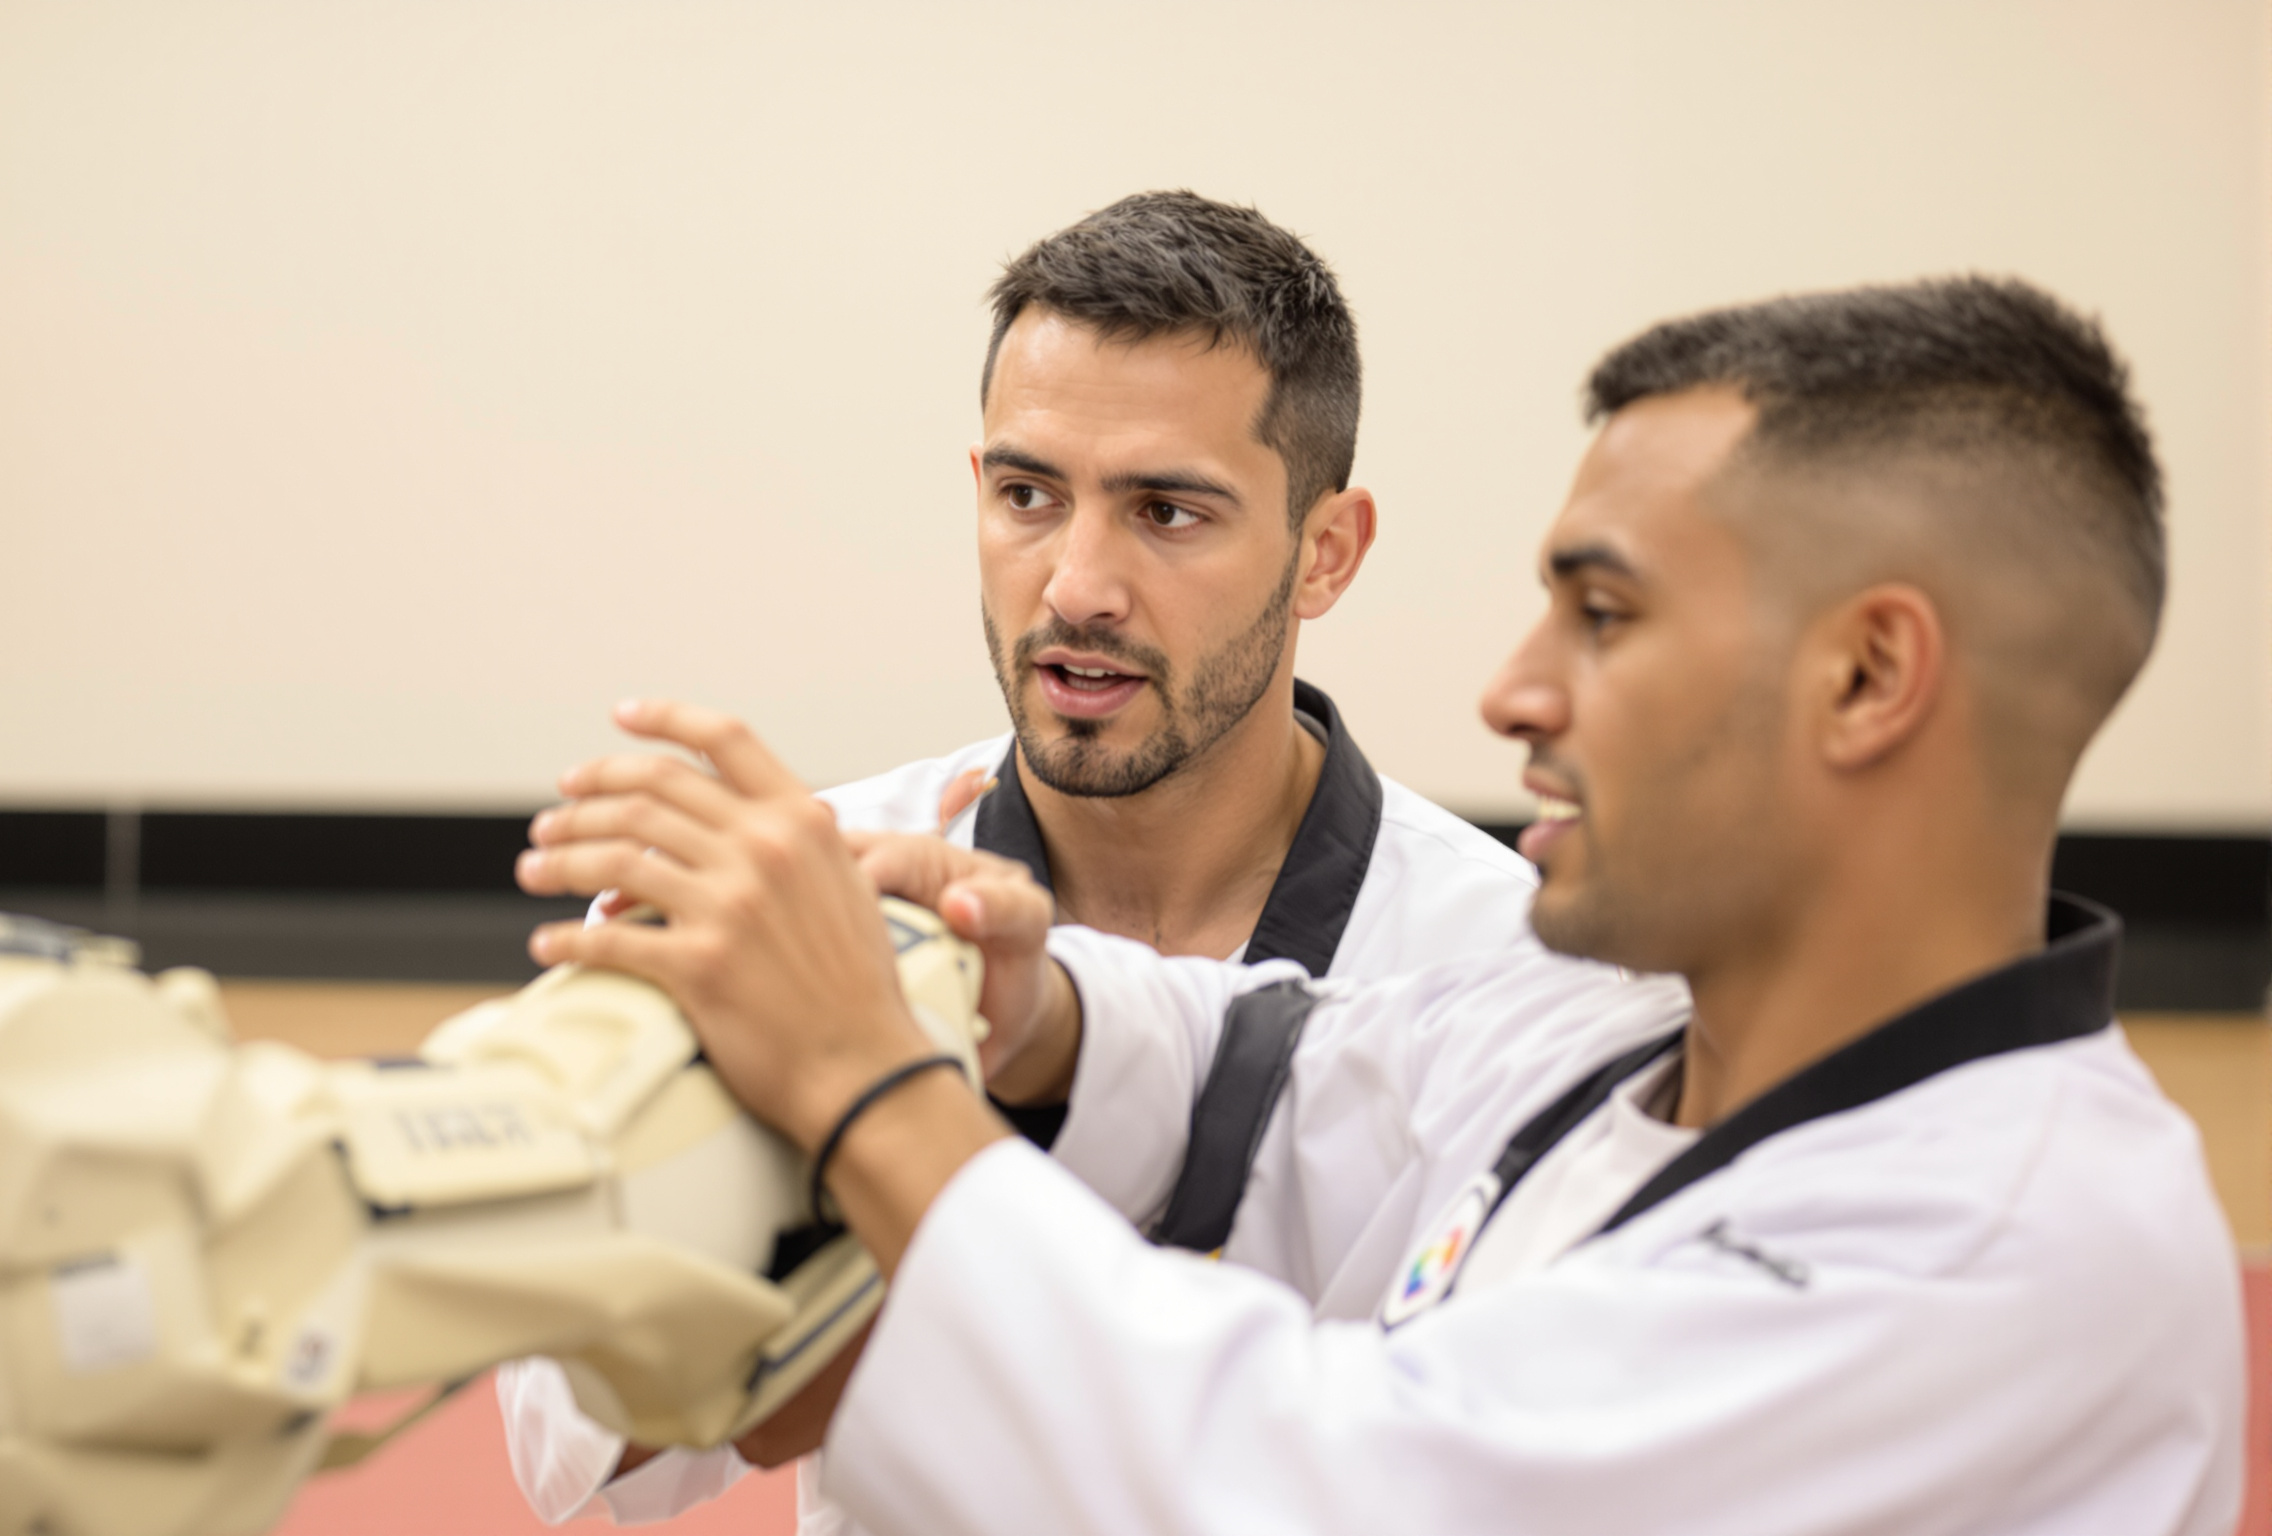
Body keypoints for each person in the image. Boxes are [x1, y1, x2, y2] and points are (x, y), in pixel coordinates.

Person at [515, 275, 2245, 1533]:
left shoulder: (1992, 1248)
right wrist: (1012, 1011)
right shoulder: (1608, 1035)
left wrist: (866, 1090)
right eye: (1026, 492)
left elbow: (1329, 1480)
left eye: (1606, 616)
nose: (1513, 693)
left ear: (1870, 677)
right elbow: (1282, 1069)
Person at [500, 190, 1558, 1532]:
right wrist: (756, 1083)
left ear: (1324, 553)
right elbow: (579, 1443)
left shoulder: (1510, 962)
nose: (1076, 585)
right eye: (1027, 495)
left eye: (1167, 512)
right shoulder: (797, 899)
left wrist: (890, 1144)